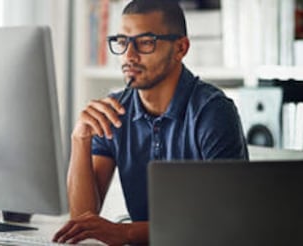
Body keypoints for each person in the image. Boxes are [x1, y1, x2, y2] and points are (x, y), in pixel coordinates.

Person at [53, 0, 249, 244]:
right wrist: (79, 139)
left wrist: (125, 233)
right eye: (123, 42)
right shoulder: (113, 111)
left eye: (145, 42)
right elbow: (83, 220)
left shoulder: (213, 112)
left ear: (180, 48)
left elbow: (222, 220)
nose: (129, 55)